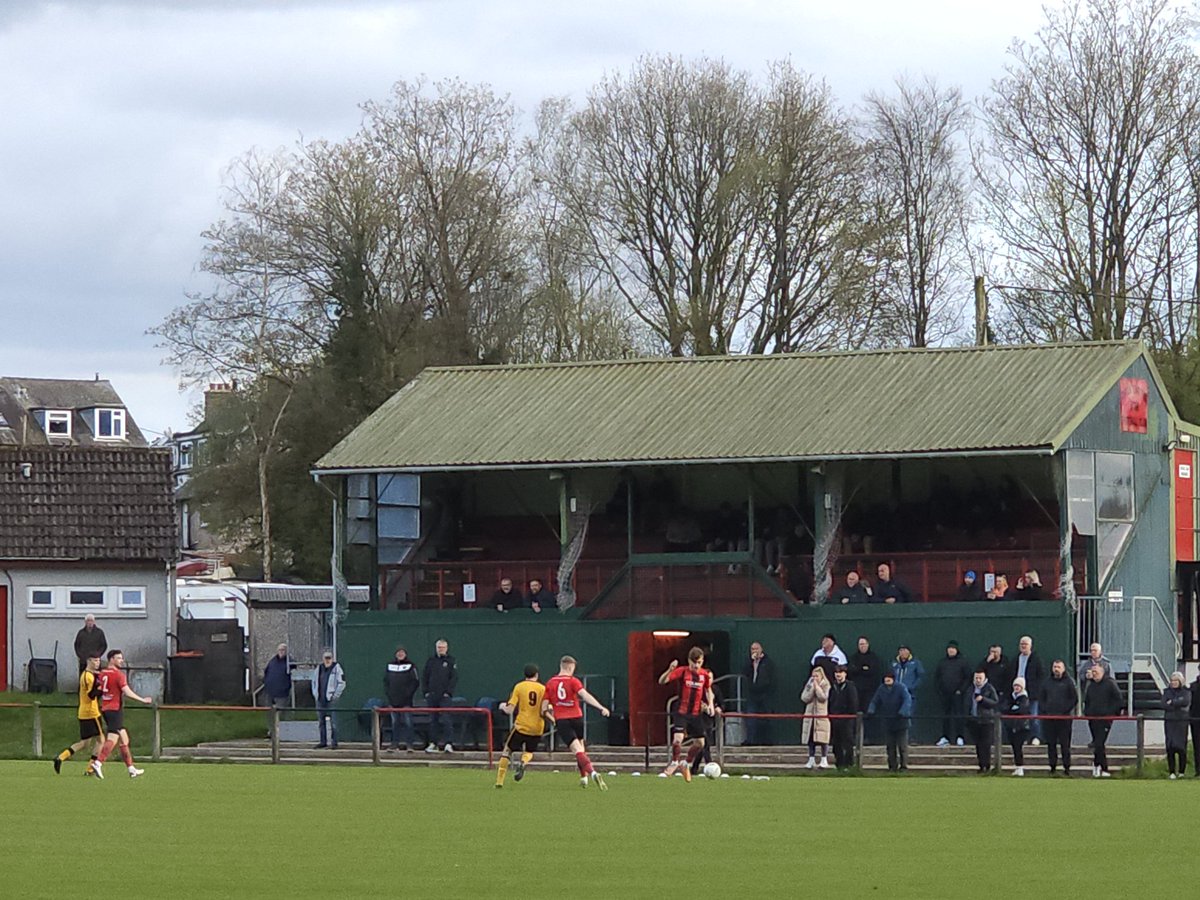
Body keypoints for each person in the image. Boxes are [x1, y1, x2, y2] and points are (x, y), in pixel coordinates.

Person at [546, 655, 611, 789]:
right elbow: (585, 695)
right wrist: (600, 707)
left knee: (577, 750)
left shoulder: (550, 683)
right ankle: (583, 778)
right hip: (577, 718)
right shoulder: (573, 681)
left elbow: (544, 708)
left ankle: (593, 773)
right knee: (581, 748)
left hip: (562, 720)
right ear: (570, 667)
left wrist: (553, 718)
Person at [92, 650, 152, 778]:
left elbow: (99, 689)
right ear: (111, 659)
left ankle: (131, 769)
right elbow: (127, 691)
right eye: (118, 658)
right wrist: (142, 700)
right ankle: (98, 763)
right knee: (112, 739)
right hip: (115, 709)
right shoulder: (119, 675)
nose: (121, 660)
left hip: (106, 708)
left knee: (124, 738)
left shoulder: (102, 673)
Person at [658, 647, 715, 783]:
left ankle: (686, 762)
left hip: (696, 714)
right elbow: (662, 681)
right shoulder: (683, 671)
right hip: (682, 712)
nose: (696, 666)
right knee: (678, 739)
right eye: (694, 663)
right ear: (689, 661)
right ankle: (674, 762)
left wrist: (711, 704)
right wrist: (670, 670)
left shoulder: (704, 675)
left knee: (700, 743)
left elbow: (708, 690)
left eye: (699, 662)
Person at [53, 652, 105, 776]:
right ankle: (90, 769)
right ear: (89, 661)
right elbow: (91, 695)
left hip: (83, 712)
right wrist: (102, 689)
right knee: (101, 740)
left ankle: (61, 757)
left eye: (99, 661)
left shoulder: (87, 675)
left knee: (85, 743)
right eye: (95, 661)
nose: (98, 663)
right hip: (91, 712)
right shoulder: (88, 677)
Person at [495, 664, 547, 788]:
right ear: (537, 675)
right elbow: (546, 709)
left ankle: (499, 781)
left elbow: (510, 710)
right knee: (529, 751)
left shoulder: (519, 687)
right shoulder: (543, 688)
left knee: (507, 751)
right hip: (537, 727)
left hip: (521, 726)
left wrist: (502, 706)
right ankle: (523, 762)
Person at [1038, 659, 1079, 776]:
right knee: (1051, 744)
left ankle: (1067, 768)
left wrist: (1064, 710)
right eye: (1055, 667)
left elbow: (1074, 699)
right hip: (1049, 718)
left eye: (1059, 667)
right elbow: (1041, 698)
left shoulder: (1069, 682)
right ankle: (1052, 767)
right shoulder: (1046, 682)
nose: (1056, 669)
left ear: (1064, 668)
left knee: (1065, 745)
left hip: (1064, 719)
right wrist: (1046, 710)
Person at [1082, 664, 1123, 778]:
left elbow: (1118, 700)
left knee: (1099, 742)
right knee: (1097, 743)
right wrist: (1088, 712)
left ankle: (1100, 766)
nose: (1094, 674)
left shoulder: (1110, 684)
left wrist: (1110, 713)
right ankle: (1100, 767)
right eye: (1093, 672)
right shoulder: (1091, 686)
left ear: (1102, 672)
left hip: (1105, 719)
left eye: (1096, 672)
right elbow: (1087, 701)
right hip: (1093, 719)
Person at [1005, 636, 1046, 744]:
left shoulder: (1036, 659)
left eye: (1025, 644)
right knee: (1019, 716)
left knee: (1033, 716)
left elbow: (1041, 677)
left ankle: (1036, 737)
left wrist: (1035, 690)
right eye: (1021, 644)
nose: (1023, 646)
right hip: (1017, 693)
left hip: (1032, 693)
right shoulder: (1016, 659)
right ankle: (1023, 738)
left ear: (1030, 646)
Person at [868, 673, 912, 772]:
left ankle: (904, 766)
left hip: (901, 722)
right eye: (885, 680)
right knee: (890, 746)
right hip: (888, 721)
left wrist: (902, 712)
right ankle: (892, 766)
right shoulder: (881, 689)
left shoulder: (901, 687)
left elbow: (907, 700)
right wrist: (871, 710)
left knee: (902, 746)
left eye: (889, 680)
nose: (886, 682)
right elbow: (875, 701)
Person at [934, 641, 971, 747]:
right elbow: (937, 678)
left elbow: (967, 678)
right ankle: (945, 737)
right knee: (946, 716)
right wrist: (940, 690)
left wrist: (960, 690)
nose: (951, 650)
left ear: (956, 650)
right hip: (945, 694)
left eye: (953, 649)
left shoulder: (963, 662)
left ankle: (960, 737)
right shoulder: (942, 662)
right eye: (949, 648)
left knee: (959, 715)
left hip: (958, 695)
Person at [423, 639, 458, 752]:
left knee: (446, 719)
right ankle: (433, 743)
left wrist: (448, 693)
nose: (441, 649)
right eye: (439, 647)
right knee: (433, 720)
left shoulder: (451, 661)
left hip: (445, 697)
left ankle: (448, 744)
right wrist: (426, 692)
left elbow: (454, 678)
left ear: (447, 648)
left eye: (443, 647)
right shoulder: (431, 661)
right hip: (432, 696)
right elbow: (425, 677)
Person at [383, 646, 420, 752]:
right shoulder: (390, 666)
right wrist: (389, 694)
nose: (400, 654)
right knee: (395, 723)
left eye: (402, 652)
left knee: (408, 722)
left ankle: (409, 745)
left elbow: (415, 682)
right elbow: (386, 682)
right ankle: (394, 744)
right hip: (393, 701)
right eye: (398, 652)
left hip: (406, 701)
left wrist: (408, 695)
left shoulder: (411, 666)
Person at [741, 641, 775, 745]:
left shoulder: (767, 662)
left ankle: (767, 740)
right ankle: (750, 740)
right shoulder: (749, 662)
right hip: (752, 693)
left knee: (766, 717)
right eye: (752, 649)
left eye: (756, 649)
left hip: (765, 693)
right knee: (751, 717)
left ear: (761, 649)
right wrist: (751, 662)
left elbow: (770, 678)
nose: (754, 651)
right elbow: (745, 672)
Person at [312, 649, 346, 750]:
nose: (327, 660)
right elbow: (314, 682)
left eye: (329, 658)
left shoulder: (337, 669)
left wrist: (335, 696)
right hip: (320, 699)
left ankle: (334, 742)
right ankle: (323, 741)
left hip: (331, 700)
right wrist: (315, 694)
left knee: (333, 722)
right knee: (321, 722)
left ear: (332, 658)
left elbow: (342, 683)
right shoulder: (318, 669)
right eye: (326, 658)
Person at [967, 669, 1000, 773]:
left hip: (987, 721)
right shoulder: (970, 689)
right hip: (974, 720)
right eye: (976, 678)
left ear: (984, 679)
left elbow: (995, 702)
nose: (978, 680)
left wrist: (983, 699)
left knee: (986, 744)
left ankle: (987, 765)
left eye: (980, 678)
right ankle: (981, 766)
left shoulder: (989, 688)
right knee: (978, 744)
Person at [828, 665, 859, 770]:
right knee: (836, 743)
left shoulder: (850, 686)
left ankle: (848, 764)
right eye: (836, 672)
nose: (838, 674)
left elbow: (853, 703)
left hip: (846, 719)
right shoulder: (833, 687)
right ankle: (839, 764)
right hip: (835, 718)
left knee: (848, 742)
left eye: (840, 672)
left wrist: (849, 715)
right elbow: (830, 701)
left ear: (845, 674)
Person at [800, 666, 831, 769]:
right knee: (811, 739)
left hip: (821, 715)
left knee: (823, 739)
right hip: (810, 715)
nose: (814, 678)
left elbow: (823, 697)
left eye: (816, 676)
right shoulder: (809, 685)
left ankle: (824, 759)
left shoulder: (826, 685)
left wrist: (817, 687)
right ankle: (811, 759)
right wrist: (812, 687)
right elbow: (804, 698)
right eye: (813, 676)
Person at [1162, 672, 1191, 779]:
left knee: (1181, 747)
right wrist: (1174, 703)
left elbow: (1185, 701)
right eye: (1172, 681)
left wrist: (1172, 702)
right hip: (1170, 721)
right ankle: (1172, 772)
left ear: (1180, 681)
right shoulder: (1166, 692)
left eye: (1176, 681)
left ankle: (1182, 772)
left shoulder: (1185, 691)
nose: (1174, 683)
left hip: (1181, 722)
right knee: (1170, 746)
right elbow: (1163, 704)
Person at [1003, 677, 1032, 776]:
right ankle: (1017, 766)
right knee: (1014, 747)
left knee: (1018, 746)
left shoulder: (1024, 698)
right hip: (1011, 725)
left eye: (1018, 686)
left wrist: (1012, 709)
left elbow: (1021, 710)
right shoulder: (1010, 697)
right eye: (1015, 685)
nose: (1016, 687)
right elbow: (1005, 708)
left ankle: (1020, 767)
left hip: (1021, 726)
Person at [262, 643, 292, 736]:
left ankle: (280, 732)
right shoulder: (272, 661)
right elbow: (266, 672)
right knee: (270, 713)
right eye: (279, 650)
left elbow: (293, 674)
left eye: (283, 650)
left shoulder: (289, 662)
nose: (281, 652)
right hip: (270, 691)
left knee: (280, 713)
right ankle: (271, 731)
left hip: (282, 692)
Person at [891, 646, 924, 715]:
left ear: (909, 652)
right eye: (901, 650)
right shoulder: (894, 664)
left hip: (910, 694)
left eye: (905, 650)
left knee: (908, 717)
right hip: (896, 694)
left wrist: (912, 687)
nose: (903, 652)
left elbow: (920, 677)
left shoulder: (915, 663)